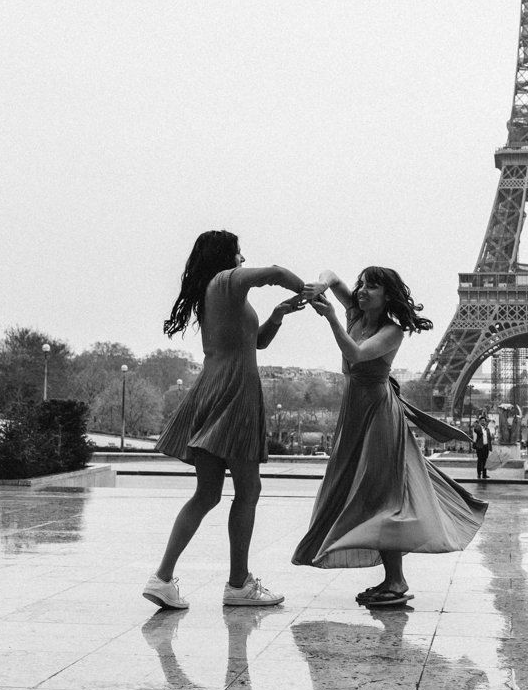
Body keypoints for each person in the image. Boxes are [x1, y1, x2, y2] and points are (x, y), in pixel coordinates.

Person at [292, 266, 487, 607]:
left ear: (387, 296)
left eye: (373, 286)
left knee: (383, 496)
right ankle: (391, 578)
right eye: (363, 284)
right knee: (371, 495)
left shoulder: (391, 331)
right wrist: (321, 285)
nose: (363, 290)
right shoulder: (357, 311)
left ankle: (396, 580)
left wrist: (331, 318)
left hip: (378, 415)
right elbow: (333, 277)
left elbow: (355, 354)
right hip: (356, 410)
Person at [143, 230, 304, 611]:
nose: (242, 256)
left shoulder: (213, 292)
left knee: (207, 493)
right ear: (224, 255)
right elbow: (276, 272)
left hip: (212, 388)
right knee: (248, 491)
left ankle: (162, 578)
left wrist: (278, 316)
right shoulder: (225, 280)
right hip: (236, 391)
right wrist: (312, 291)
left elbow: (256, 343)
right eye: (237, 250)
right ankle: (237, 584)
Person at [474, 413, 492, 480]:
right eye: (482, 421)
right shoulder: (478, 428)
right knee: (479, 461)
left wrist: (490, 447)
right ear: (480, 421)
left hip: (486, 447)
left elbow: (489, 438)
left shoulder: (487, 429)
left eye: (484, 421)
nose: (483, 422)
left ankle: (484, 474)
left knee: (485, 461)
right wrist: (478, 425)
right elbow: (476, 430)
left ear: (485, 422)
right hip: (480, 447)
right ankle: (479, 474)